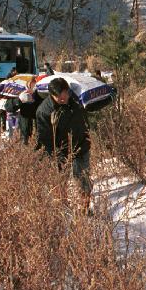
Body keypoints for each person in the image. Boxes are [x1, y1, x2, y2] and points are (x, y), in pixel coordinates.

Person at [35, 77, 92, 213]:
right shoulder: (44, 111)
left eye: (65, 94)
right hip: (61, 151)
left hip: (81, 146)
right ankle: (63, 209)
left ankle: (85, 208)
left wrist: (87, 136)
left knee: (83, 179)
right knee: (60, 182)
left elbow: (85, 118)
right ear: (52, 95)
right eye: (58, 97)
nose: (63, 98)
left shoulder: (76, 101)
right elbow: (44, 138)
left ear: (68, 91)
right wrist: (56, 155)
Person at [17, 78, 42, 145]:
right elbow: (9, 107)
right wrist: (20, 100)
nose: (32, 86)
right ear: (28, 85)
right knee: (25, 140)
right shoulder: (22, 93)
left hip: (35, 124)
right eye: (31, 84)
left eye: (34, 85)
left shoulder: (39, 95)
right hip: (25, 124)